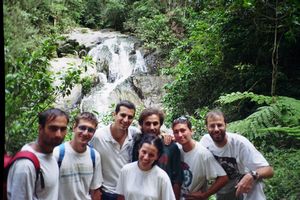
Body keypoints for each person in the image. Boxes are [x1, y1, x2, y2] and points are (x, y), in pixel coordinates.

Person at [199, 109, 274, 200]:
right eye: (212, 126)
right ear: (206, 127)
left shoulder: (240, 143)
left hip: (245, 184)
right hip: (224, 188)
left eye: (219, 125)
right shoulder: (205, 142)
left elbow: (269, 170)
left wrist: (252, 175)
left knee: (254, 181)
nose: (216, 129)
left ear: (226, 125)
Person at [7, 108, 69, 199]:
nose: (58, 134)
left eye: (63, 129)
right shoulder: (25, 165)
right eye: (53, 128)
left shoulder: (51, 154)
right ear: (40, 128)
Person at [89, 100, 139, 200]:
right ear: (114, 114)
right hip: (106, 193)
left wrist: (164, 136)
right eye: (123, 115)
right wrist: (94, 189)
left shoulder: (135, 134)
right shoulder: (98, 137)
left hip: (129, 192)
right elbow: (90, 161)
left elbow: (152, 138)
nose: (126, 120)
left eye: (130, 117)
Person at [172, 116, 229, 200]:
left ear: (191, 131)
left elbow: (223, 178)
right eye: (176, 132)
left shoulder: (203, 154)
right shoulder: (175, 149)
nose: (180, 135)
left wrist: (205, 195)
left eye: (183, 130)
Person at [132, 107, 182, 200]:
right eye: (147, 124)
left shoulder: (170, 146)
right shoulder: (137, 145)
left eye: (155, 123)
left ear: (160, 125)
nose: (152, 127)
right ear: (141, 125)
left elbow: (177, 180)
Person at [53, 112, 103, 200]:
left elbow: (95, 191)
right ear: (74, 127)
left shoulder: (94, 156)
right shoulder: (57, 153)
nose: (85, 133)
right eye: (82, 128)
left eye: (90, 130)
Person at [116, 134, 176, 200]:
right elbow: (121, 197)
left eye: (151, 155)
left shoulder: (162, 177)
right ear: (139, 149)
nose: (146, 158)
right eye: (144, 152)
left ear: (157, 156)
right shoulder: (126, 170)